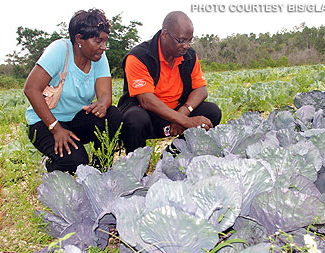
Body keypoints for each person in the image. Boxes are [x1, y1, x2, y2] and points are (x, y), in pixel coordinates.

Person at [24, 9, 123, 174]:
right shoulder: (60, 51)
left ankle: (101, 171)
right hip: (46, 122)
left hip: (76, 120)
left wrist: (102, 104)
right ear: (79, 39)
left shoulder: (98, 57)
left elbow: (105, 94)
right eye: (98, 41)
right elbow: (31, 89)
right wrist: (56, 129)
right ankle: (50, 165)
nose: (103, 47)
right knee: (76, 162)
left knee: (112, 115)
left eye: (105, 41)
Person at [118, 11, 221, 154]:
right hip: (148, 116)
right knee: (134, 119)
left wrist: (182, 114)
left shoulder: (189, 56)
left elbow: (201, 90)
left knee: (212, 112)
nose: (186, 46)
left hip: (178, 112)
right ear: (165, 34)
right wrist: (185, 121)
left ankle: (173, 156)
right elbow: (146, 100)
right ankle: (137, 164)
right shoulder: (138, 56)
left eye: (189, 40)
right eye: (181, 40)